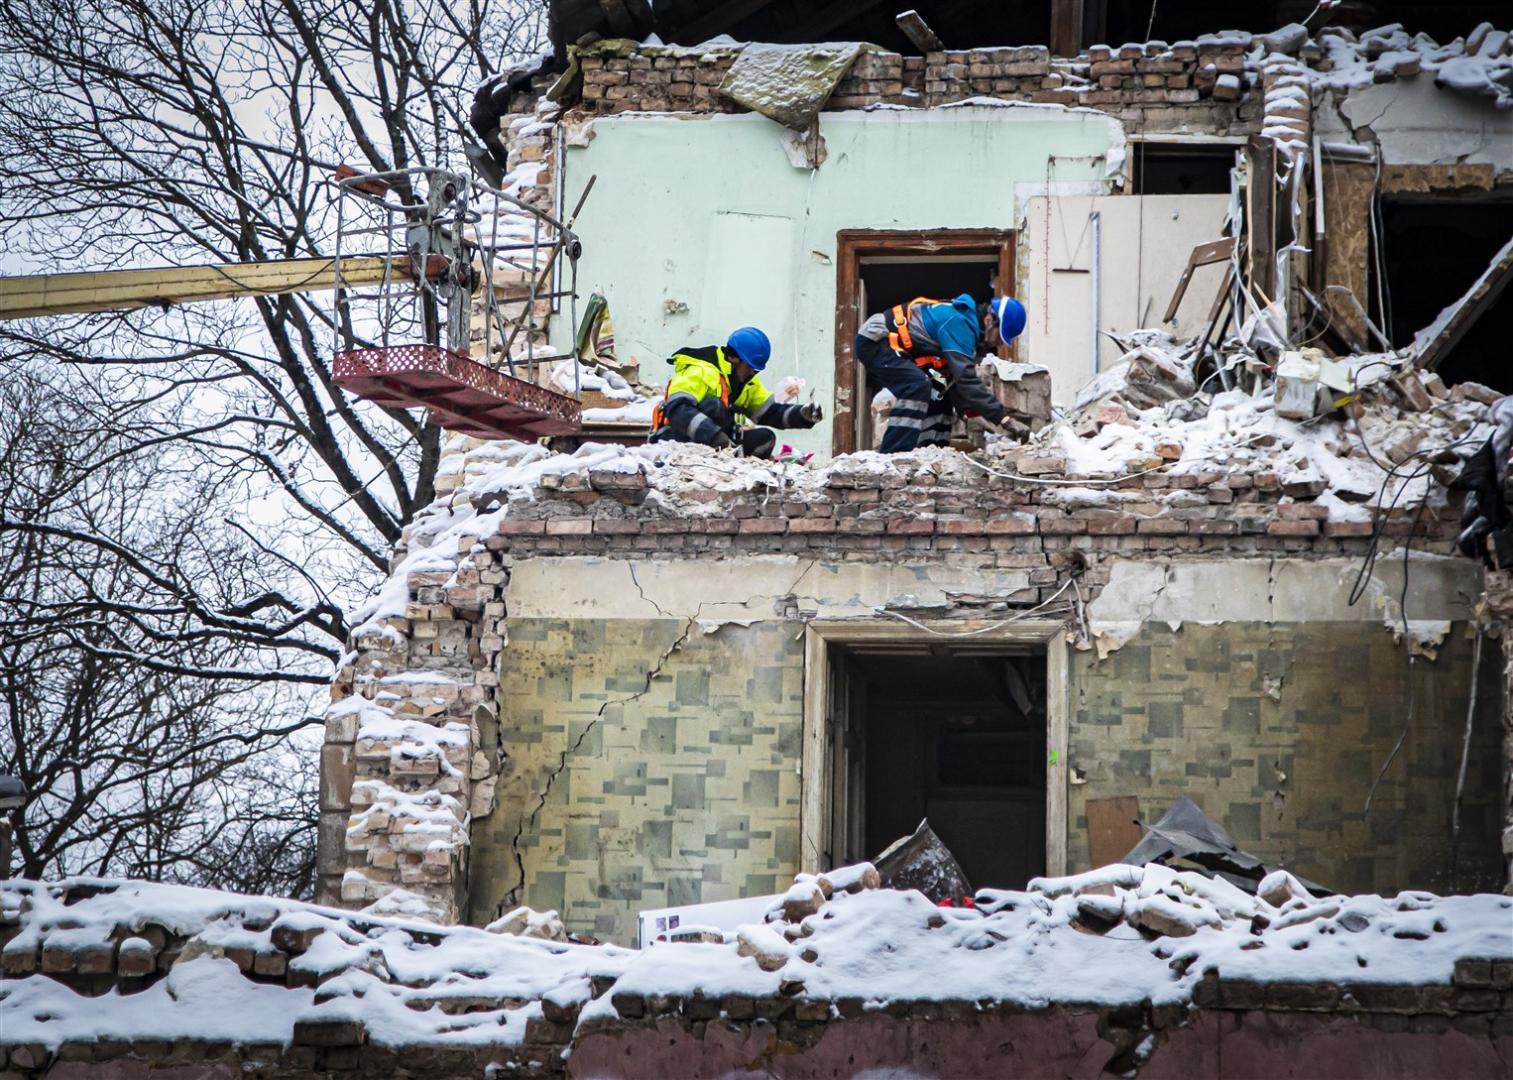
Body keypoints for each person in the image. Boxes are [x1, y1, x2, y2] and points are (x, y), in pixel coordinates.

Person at [854, 293, 1027, 453]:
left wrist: (969, 413)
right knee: (916, 385)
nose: (998, 343)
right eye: (999, 336)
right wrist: (1004, 419)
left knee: (939, 390)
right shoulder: (960, 323)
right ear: (990, 319)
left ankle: (932, 453)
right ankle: (893, 455)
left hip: (900, 348)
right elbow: (965, 379)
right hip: (877, 340)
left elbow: (952, 379)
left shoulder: (969, 331)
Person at [649, 326, 821, 459]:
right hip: (674, 439)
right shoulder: (700, 370)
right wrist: (717, 437)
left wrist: (802, 415)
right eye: (750, 367)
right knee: (714, 406)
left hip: (719, 446)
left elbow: (769, 412)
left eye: (756, 370)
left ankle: (727, 469)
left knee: (765, 438)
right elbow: (678, 410)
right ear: (733, 358)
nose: (753, 373)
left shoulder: (743, 381)